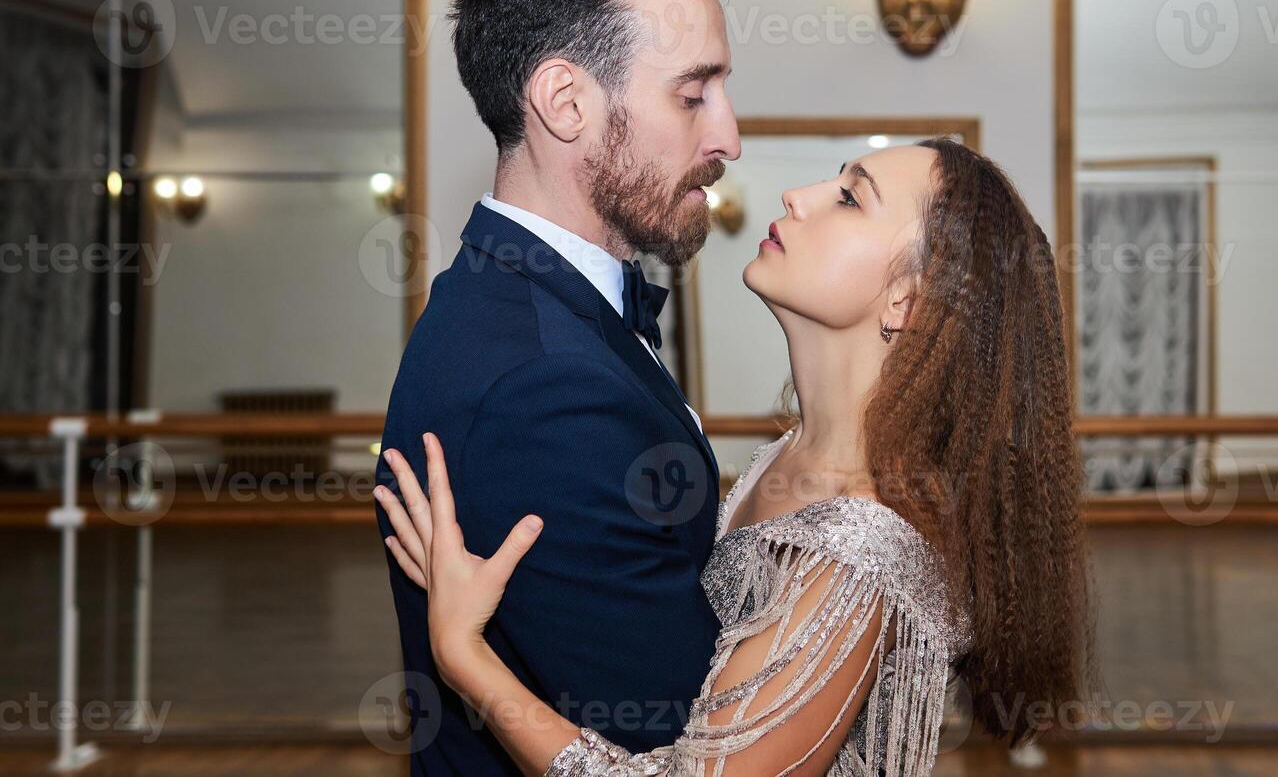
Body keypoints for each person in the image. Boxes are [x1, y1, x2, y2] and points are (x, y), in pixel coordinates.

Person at [377, 138, 1097, 775]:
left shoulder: (861, 553)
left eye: (850, 199)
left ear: (907, 299)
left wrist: (466, 658)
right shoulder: (791, 456)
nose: (799, 196)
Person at [373, 0, 739, 775]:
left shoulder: (524, 304)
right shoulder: (544, 385)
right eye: (693, 94)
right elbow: (678, 746)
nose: (728, 134)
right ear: (565, 101)